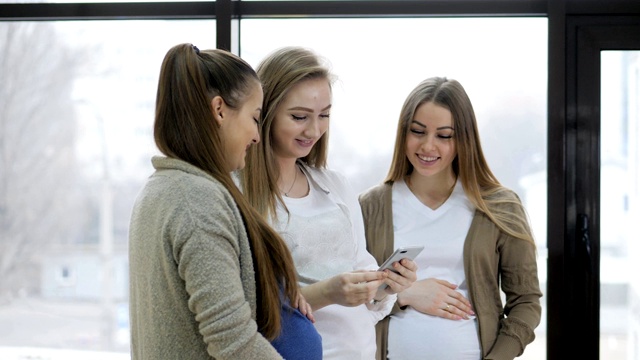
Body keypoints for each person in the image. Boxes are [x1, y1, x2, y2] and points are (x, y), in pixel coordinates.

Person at [128, 43, 322, 360]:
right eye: (254, 118)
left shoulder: (167, 188)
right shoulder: (195, 201)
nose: (257, 136)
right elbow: (234, 342)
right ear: (219, 110)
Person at [238, 46, 418, 360]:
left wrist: (386, 285)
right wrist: (327, 293)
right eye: (299, 117)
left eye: (324, 115)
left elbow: (366, 288)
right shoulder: (237, 194)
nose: (314, 130)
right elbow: (244, 311)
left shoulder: (335, 186)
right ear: (263, 112)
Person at [359, 77, 542, 360]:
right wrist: (406, 293)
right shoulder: (371, 206)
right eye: (417, 131)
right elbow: (354, 296)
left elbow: (526, 302)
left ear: (463, 139)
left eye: (444, 135)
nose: (428, 146)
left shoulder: (501, 207)